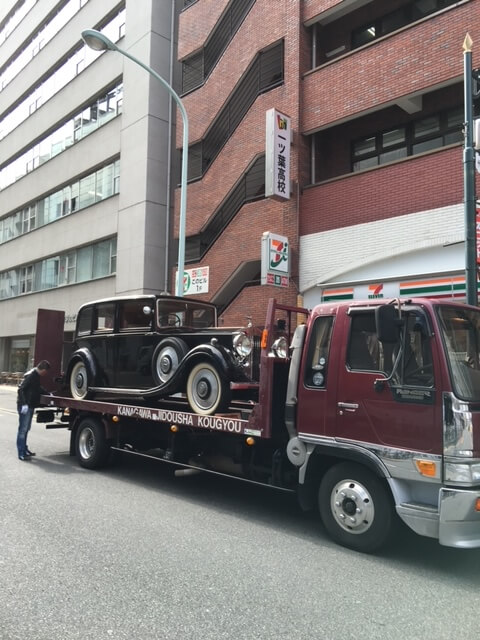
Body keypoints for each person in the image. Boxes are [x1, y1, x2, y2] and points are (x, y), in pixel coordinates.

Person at [16, 360, 51, 461]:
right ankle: (21, 452)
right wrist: (24, 404)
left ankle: (24, 449)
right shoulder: (31, 375)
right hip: (26, 406)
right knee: (23, 430)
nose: (46, 374)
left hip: (30, 405)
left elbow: (37, 388)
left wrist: (48, 394)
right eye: (46, 371)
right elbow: (21, 389)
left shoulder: (35, 375)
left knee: (26, 429)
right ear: (43, 369)